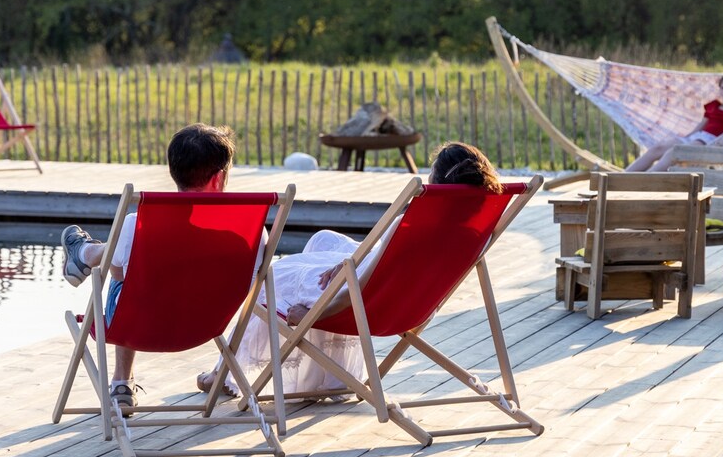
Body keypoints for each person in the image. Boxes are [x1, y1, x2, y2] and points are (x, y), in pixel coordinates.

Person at [197, 141, 503, 396]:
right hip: (407, 302)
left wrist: (313, 314)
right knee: (323, 240)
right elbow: (382, 265)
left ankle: (225, 373)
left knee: (273, 277)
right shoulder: (474, 232)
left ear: (437, 184)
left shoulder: (406, 227)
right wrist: (351, 262)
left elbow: (350, 296)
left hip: (357, 302)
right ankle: (322, 374)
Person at [60, 123, 237, 415]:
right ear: (218, 179)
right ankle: (87, 253)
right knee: (131, 265)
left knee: (123, 275)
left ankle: (121, 383)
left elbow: (117, 274)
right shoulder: (250, 231)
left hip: (144, 326)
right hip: (207, 326)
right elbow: (254, 281)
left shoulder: (138, 223)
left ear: (174, 172)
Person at [625, 72, 723, 172]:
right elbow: (702, 125)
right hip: (697, 137)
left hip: (712, 143)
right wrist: (686, 137)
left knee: (673, 153)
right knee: (657, 148)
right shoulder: (714, 106)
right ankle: (621, 177)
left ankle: (645, 179)